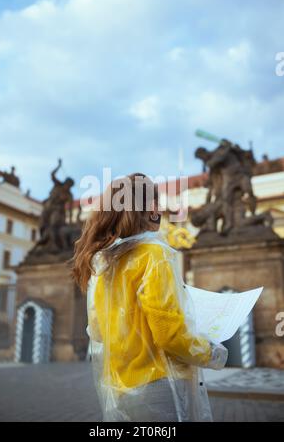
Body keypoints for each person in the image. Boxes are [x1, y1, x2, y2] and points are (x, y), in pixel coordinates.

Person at [72, 173, 228, 422]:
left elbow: (99, 332)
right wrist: (212, 353)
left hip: (122, 387)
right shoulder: (154, 254)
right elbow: (170, 334)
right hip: (161, 384)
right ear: (151, 209)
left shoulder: (105, 264)